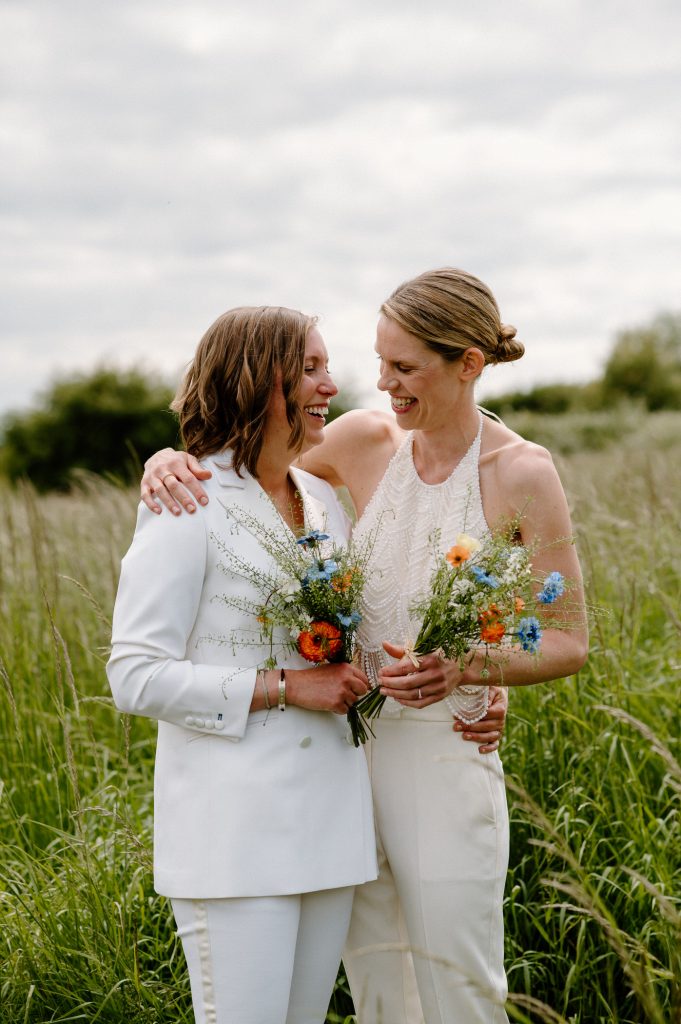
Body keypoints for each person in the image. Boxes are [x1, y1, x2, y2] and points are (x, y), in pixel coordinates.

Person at [141, 268, 588, 1024]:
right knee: (377, 984)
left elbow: (567, 637)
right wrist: (167, 459)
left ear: (467, 365)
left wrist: (476, 669)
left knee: (458, 981)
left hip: (442, 757)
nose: (380, 384)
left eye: (404, 368)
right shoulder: (359, 439)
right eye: (378, 362)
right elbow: (245, 485)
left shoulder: (520, 471)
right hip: (335, 760)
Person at [107, 306, 379, 1024]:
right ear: (261, 380)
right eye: (311, 368)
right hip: (234, 838)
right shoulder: (187, 498)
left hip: (330, 825)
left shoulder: (321, 500)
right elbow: (134, 674)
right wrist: (288, 687)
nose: (331, 383)